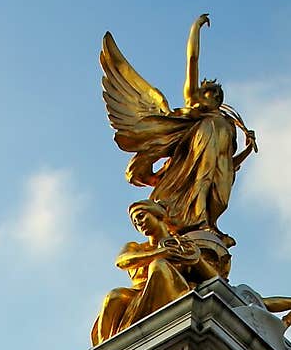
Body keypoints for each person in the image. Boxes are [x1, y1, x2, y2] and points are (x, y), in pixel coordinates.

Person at [100, 14, 256, 239]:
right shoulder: (196, 115)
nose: (211, 95)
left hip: (217, 175)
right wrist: (196, 28)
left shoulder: (228, 126)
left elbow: (228, 165)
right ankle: (202, 222)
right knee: (201, 180)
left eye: (216, 93)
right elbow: (192, 60)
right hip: (192, 169)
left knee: (217, 192)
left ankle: (208, 222)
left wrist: (248, 149)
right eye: (207, 91)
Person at [91, 199, 228, 345]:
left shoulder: (182, 244)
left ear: (158, 215)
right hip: (138, 294)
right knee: (115, 296)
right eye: (135, 222)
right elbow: (122, 261)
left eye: (141, 216)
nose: (139, 223)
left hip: (172, 294)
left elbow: (214, 278)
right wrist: (160, 253)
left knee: (159, 266)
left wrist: (196, 259)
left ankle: (153, 325)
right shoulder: (136, 247)